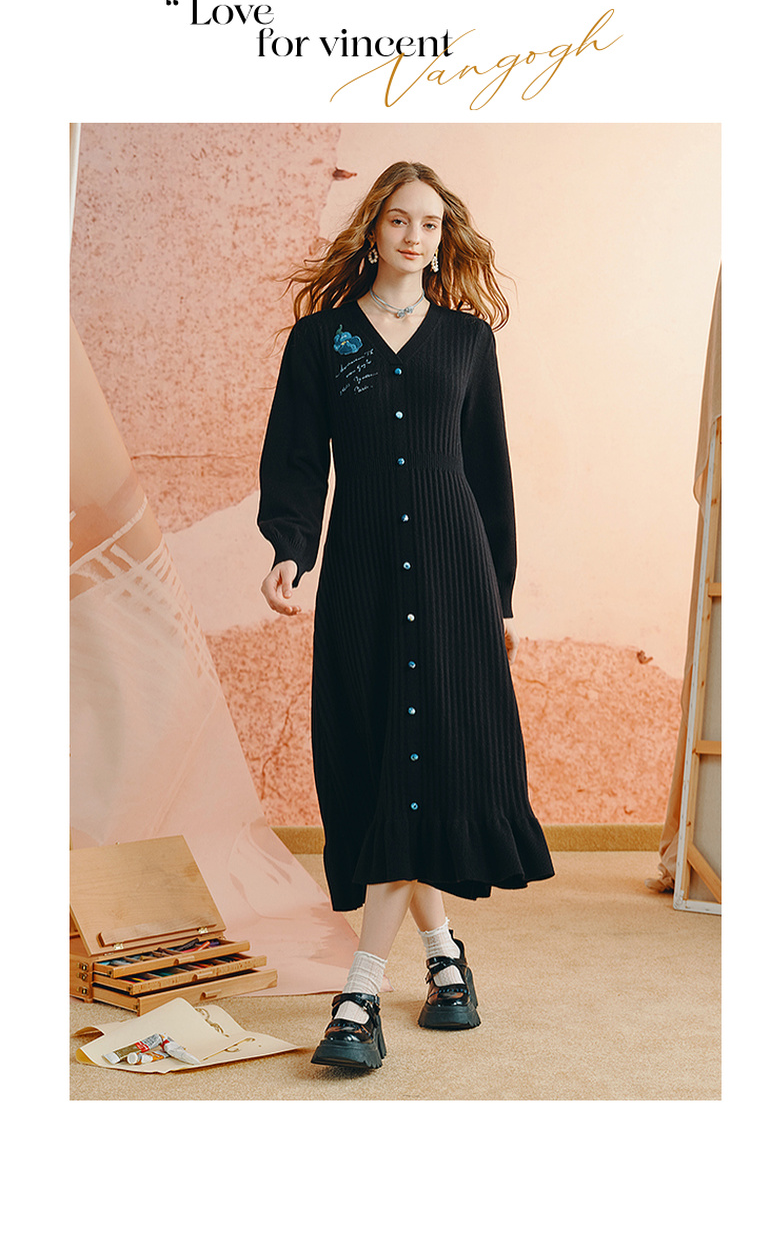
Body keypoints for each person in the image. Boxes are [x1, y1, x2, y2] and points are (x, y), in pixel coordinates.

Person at [258, 160, 554, 1070]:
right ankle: (444, 956)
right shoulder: (322, 340)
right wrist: (291, 547)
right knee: (384, 753)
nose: (415, 236)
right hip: (363, 575)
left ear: (443, 236)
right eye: (399, 219)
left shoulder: (468, 341)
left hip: (455, 576)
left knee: (426, 759)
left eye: (430, 223)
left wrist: (497, 593)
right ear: (373, 229)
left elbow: (489, 473)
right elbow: (297, 457)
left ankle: (360, 993)